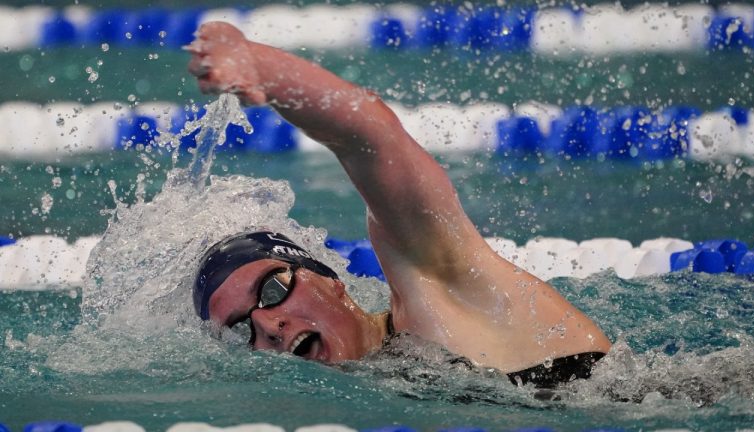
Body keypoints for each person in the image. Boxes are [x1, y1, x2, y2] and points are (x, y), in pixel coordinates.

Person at [187, 22, 612, 388]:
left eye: (272, 288)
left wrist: (258, 64)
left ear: (329, 280)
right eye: (240, 329)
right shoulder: (371, 387)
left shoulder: (441, 290)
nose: (267, 325)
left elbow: (371, 137)